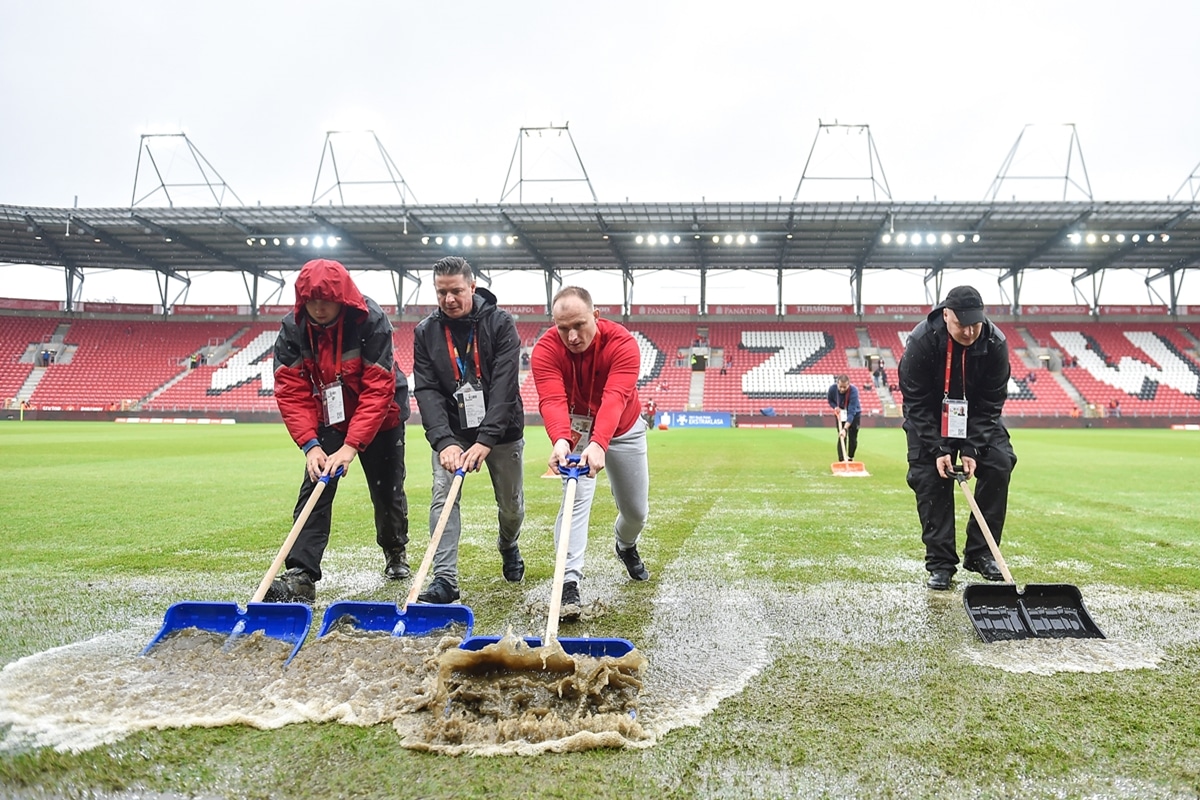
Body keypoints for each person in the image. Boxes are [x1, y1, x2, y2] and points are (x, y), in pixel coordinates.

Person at [267, 258, 411, 603]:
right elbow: (291, 389)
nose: (318, 307)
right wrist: (310, 446)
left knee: (387, 492)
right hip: (330, 416)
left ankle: (395, 551)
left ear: (342, 298)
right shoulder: (293, 328)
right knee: (315, 485)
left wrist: (351, 447)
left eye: (326, 299)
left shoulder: (372, 322)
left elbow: (378, 388)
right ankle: (301, 573)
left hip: (381, 416)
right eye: (311, 300)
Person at [531, 286, 650, 620]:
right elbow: (552, 399)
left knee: (637, 512)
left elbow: (615, 397)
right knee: (574, 497)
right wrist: (560, 440)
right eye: (562, 327)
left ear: (596, 316)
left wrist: (601, 442)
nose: (571, 336)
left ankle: (625, 545)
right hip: (576, 431)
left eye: (579, 325)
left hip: (623, 429)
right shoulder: (544, 349)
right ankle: (568, 584)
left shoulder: (623, 343)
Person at [411, 256, 526, 604]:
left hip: (502, 430)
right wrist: (444, 441)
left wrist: (486, 440)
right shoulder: (426, 332)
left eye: (456, 291)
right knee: (442, 496)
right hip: (453, 430)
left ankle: (508, 543)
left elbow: (506, 386)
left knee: (512, 506)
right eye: (441, 292)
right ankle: (444, 579)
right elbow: (427, 390)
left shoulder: (501, 323)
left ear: (472, 288)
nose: (449, 299)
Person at [898, 285, 1016, 591]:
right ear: (946, 314)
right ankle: (941, 564)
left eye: (975, 324)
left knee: (1000, 462)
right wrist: (938, 448)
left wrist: (973, 448)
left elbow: (991, 402)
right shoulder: (921, 342)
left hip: (977, 417)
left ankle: (981, 554)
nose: (969, 331)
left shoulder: (995, 343)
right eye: (962, 325)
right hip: (930, 419)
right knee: (929, 478)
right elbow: (915, 403)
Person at [827, 373, 862, 461]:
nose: (842, 389)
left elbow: (851, 412)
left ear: (848, 385)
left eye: (844, 387)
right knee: (842, 436)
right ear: (837, 384)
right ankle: (842, 460)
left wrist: (845, 429)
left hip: (854, 414)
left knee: (853, 438)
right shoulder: (832, 389)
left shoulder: (854, 391)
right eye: (840, 387)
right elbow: (830, 400)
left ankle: (850, 457)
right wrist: (835, 407)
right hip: (840, 414)